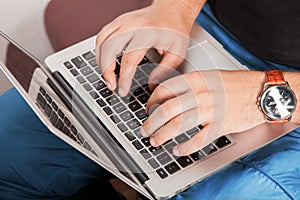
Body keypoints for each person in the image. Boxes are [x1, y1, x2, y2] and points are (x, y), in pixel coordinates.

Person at [1, 0, 300, 199]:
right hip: (209, 27)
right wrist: (175, 8)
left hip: (292, 96)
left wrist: (262, 94)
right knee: (9, 145)